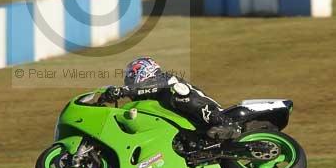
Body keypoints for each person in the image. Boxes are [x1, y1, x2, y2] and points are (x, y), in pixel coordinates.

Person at [99, 57, 241, 140]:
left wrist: (122, 91)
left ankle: (226, 124)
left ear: (145, 70)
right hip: (189, 131)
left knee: (179, 93)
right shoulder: (145, 96)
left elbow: (147, 87)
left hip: (211, 113)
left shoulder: (164, 79)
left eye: (131, 75)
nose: (128, 79)